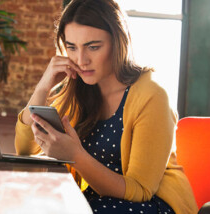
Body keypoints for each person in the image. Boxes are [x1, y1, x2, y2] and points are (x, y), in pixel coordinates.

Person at [14, 0, 198, 213]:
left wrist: (75, 156)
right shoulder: (79, 90)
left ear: (118, 42)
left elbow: (141, 190)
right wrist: (42, 87)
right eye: (72, 47)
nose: (81, 60)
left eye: (93, 47)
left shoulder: (152, 95)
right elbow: (26, 149)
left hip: (151, 204)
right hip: (99, 201)